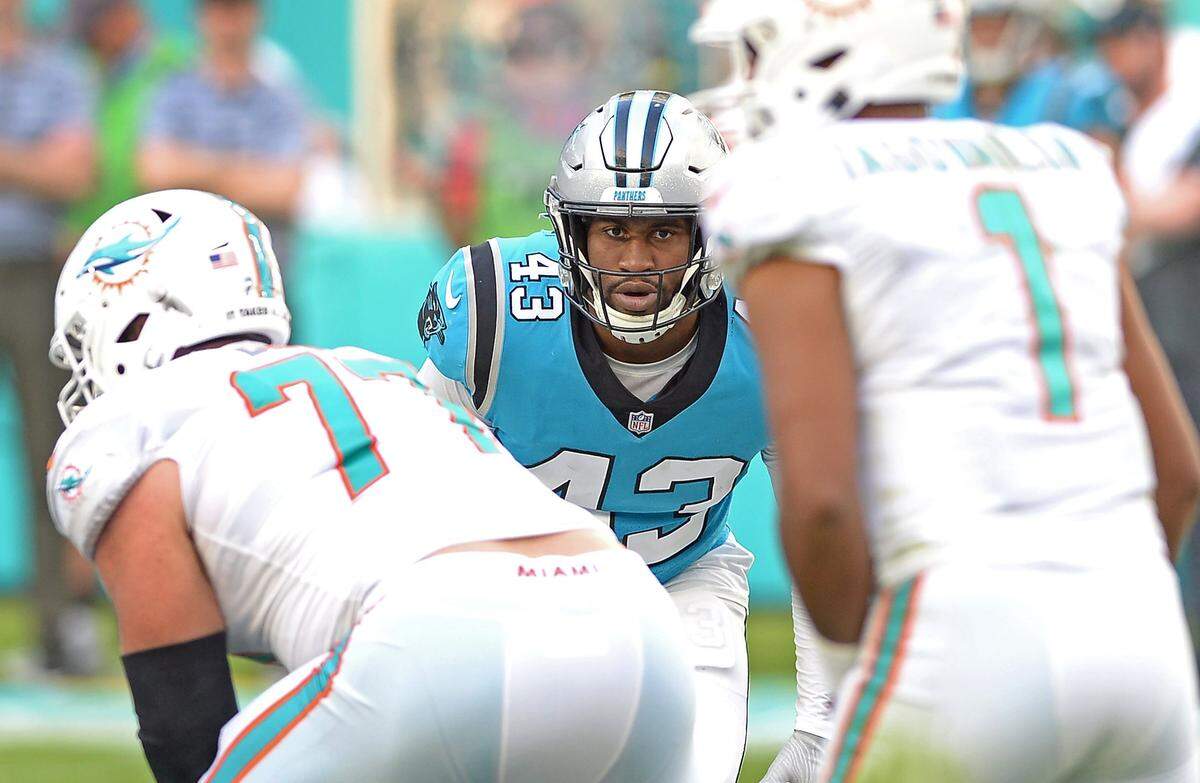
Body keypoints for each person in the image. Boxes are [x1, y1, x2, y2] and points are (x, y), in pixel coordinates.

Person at [700, 0, 1200, 780]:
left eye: (760, 51)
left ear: (828, 51)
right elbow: (1179, 470)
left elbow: (823, 502)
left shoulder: (794, 186)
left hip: (961, 634)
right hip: (1143, 635)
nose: (749, 78)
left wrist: (853, 663)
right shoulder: (1062, 164)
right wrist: (1110, 605)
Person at [46, 189, 695, 783]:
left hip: (444, 633)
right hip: (636, 624)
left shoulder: (135, 424)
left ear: (137, 315)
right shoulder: (371, 370)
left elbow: (182, 718)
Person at [417, 90, 831, 783]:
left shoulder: (770, 331)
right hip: (516, 589)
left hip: (684, 582)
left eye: (663, 232)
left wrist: (819, 721)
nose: (636, 259)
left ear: (709, 234)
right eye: (614, 231)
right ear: (571, 233)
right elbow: (411, 480)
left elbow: (816, 522)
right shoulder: (496, 314)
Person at [0, 0, 96, 674]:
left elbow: (72, 172)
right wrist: (25, 161)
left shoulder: (59, 75)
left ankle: (58, 633)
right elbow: (48, 166)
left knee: (49, 451)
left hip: (33, 275)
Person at [137, 0, 308, 263]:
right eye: (218, 9)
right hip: (186, 265)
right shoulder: (172, 92)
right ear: (200, 16)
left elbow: (286, 190)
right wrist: (247, 173)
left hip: (262, 268)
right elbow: (156, 171)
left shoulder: (282, 99)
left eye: (236, 9)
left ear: (257, 14)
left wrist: (194, 173)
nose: (228, 22)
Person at [65, 0, 191, 239]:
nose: (91, 45)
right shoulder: (93, 74)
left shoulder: (178, 67)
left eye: (94, 32)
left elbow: (132, 167)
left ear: (119, 18)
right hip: (108, 234)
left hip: (162, 233)